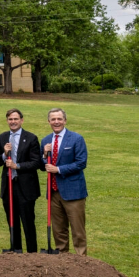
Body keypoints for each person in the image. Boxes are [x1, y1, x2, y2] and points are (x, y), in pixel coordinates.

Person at [41, 107, 88, 255]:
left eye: (59, 119)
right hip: (54, 191)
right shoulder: (46, 140)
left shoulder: (76, 139)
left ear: (65, 120)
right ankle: (63, 258)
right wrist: (44, 155)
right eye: (53, 119)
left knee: (77, 229)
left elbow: (81, 163)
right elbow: (44, 166)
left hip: (73, 191)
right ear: (49, 121)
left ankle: (82, 260)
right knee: (58, 229)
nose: (56, 122)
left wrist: (58, 170)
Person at [0, 109, 42, 253]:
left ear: (21, 120)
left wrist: (17, 166)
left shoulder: (31, 138)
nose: (13, 122)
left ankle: (32, 252)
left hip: (26, 187)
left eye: (16, 119)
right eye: (10, 119)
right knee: (12, 221)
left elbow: (36, 162)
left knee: (28, 221)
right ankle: (15, 250)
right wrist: (4, 154)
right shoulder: (3, 137)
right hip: (9, 186)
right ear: (7, 121)